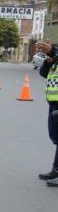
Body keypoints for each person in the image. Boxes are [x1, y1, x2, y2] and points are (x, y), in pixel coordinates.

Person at [38, 42, 58, 185]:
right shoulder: (54, 58)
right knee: (56, 137)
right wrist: (48, 60)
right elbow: (44, 74)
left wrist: (52, 52)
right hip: (53, 102)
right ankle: (56, 170)